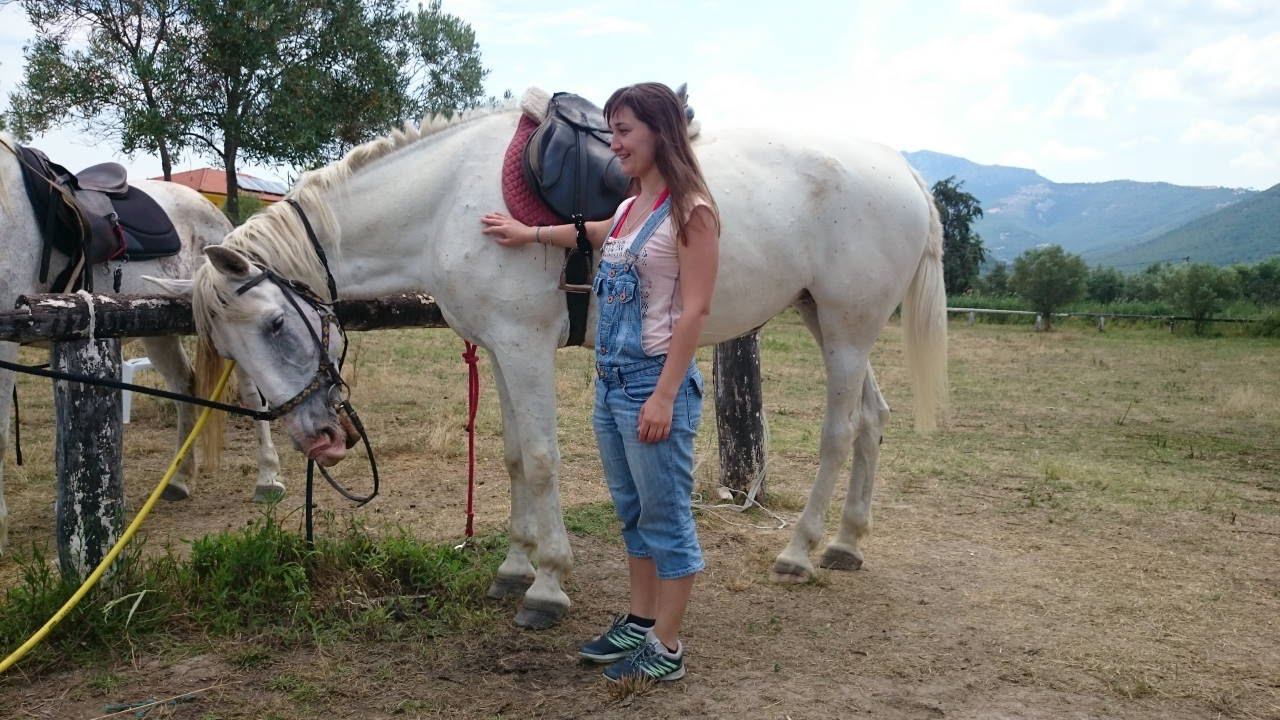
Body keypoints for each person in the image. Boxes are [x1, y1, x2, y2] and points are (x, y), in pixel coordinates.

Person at [481, 82, 720, 683]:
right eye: (612, 132)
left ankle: (666, 648)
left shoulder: (694, 213)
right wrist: (528, 233)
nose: (614, 145)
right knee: (633, 513)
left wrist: (665, 394)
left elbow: (695, 312)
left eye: (624, 132)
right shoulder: (633, 205)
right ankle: (640, 621)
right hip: (612, 384)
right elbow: (592, 233)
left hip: (650, 385)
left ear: (660, 134)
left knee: (666, 520)